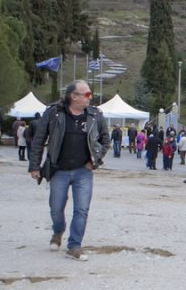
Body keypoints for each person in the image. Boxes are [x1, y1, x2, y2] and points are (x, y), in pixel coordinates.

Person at [28, 80, 111, 261]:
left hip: (83, 171)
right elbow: (39, 140)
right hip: (59, 170)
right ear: (74, 96)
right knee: (56, 208)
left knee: (81, 209)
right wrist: (34, 166)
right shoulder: (54, 113)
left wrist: (94, 161)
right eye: (87, 94)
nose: (91, 97)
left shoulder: (95, 115)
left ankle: (74, 246)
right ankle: (58, 231)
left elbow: (106, 140)